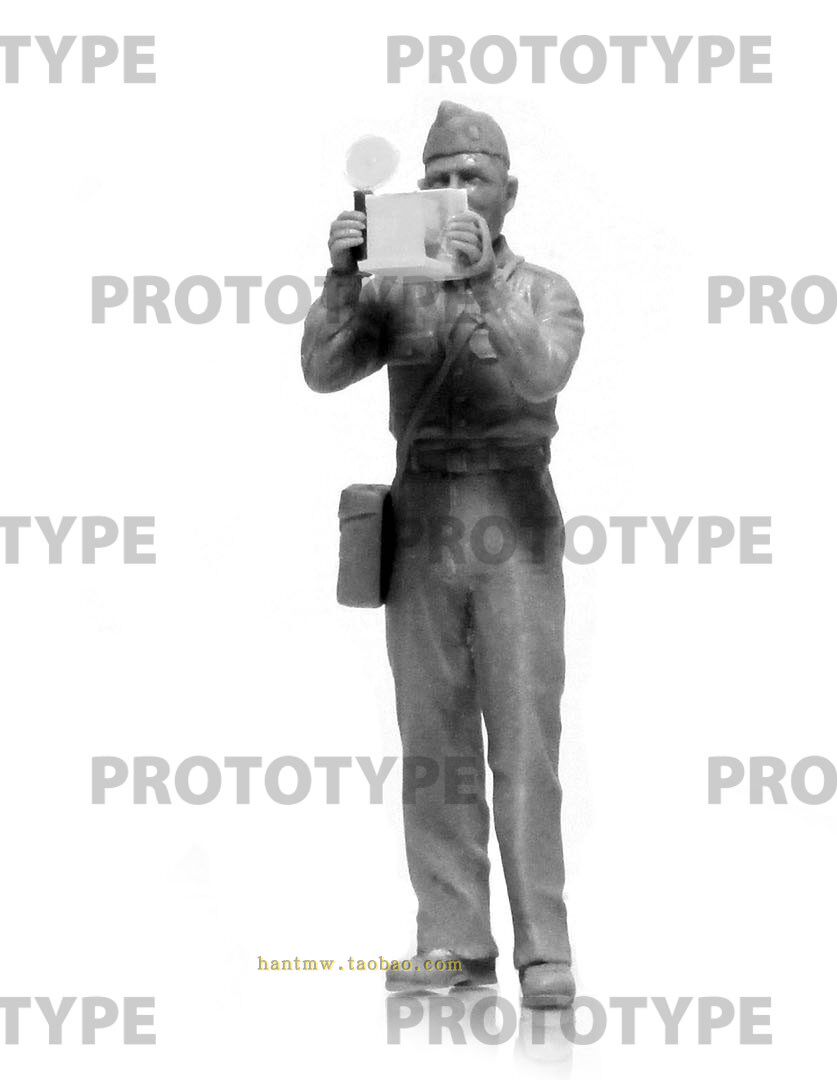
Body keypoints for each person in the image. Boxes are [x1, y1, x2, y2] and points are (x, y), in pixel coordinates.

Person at [301, 101, 585, 1009]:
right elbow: (324, 371)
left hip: (514, 519)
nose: (457, 191)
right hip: (423, 518)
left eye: (474, 177)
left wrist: (483, 283)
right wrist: (342, 280)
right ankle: (453, 937)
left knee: (525, 738)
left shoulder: (545, 291)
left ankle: (544, 948)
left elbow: (541, 373)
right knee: (432, 741)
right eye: (439, 179)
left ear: (509, 193)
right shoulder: (398, 288)